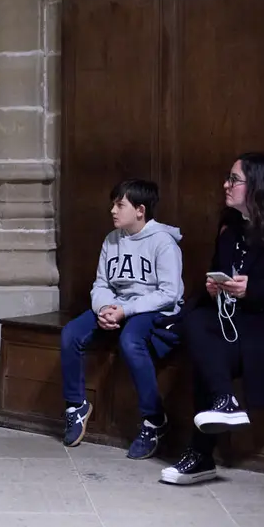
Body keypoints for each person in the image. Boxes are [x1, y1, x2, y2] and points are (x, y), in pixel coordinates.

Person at [161, 153, 264, 485]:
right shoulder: (229, 226)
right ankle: (225, 401)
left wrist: (254, 290)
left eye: (234, 180)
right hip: (240, 317)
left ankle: (202, 452)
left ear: (259, 186)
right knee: (198, 326)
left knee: (214, 353)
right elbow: (222, 274)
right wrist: (215, 288)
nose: (226, 185)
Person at [60, 180, 183, 459]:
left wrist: (125, 311)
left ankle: (154, 421)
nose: (112, 210)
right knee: (70, 334)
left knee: (130, 341)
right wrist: (104, 308)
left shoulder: (163, 242)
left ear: (140, 210)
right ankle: (76, 406)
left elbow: (168, 293)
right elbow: (101, 283)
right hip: (116, 306)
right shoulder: (111, 239)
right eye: (113, 203)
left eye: (120, 204)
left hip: (152, 310)